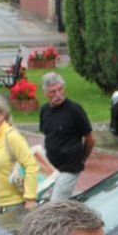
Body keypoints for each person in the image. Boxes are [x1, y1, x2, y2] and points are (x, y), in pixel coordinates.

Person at [0, 94, 39, 216]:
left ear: (2, 115)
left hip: (14, 203)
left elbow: (31, 165)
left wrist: (30, 198)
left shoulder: (12, 136)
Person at [39, 72, 94, 201]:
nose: (57, 95)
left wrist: (82, 158)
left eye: (60, 89)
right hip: (51, 166)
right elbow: (47, 134)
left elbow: (90, 138)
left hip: (70, 166)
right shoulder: (44, 110)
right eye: (53, 92)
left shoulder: (74, 110)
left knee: (57, 203)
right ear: (45, 93)